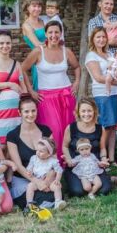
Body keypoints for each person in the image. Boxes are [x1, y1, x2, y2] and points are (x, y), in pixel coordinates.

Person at [22, 20, 80, 163]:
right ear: (46, 34)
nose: (54, 35)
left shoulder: (66, 51)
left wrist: (77, 82)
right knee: (54, 130)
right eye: (50, 32)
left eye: (56, 32)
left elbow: (77, 67)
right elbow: (22, 69)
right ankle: (53, 163)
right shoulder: (38, 51)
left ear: (61, 34)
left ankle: (69, 162)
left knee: (68, 130)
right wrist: (31, 90)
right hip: (46, 97)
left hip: (66, 95)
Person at [84, 27, 117, 163]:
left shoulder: (109, 53)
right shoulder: (91, 55)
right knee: (106, 126)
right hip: (103, 94)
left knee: (113, 125)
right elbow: (98, 77)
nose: (101, 39)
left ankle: (112, 158)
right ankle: (102, 156)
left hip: (116, 93)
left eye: (103, 37)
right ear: (92, 39)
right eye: (98, 37)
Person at [6, 97, 55, 208]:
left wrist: (47, 180)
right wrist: (36, 182)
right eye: (26, 111)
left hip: (44, 176)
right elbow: (18, 166)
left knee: (53, 194)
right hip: (23, 178)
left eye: (33, 111)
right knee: (35, 197)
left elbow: (53, 158)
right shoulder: (12, 136)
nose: (31, 114)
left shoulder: (46, 131)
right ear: (19, 113)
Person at [61, 98, 112, 197]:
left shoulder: (100, 128)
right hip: (76, 166)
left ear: (94, 111)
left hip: (94, 166)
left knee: (105, 189)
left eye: (89, 111)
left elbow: (102, 148)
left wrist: (103, 159)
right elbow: (65, 146)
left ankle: (101, 182)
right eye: (83, 111)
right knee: (78, 191)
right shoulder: (71, 128)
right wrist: (69, 159)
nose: (86, 114)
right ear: (78, 112)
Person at [25, 138, 67, 211]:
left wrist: (57, 180)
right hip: (38, 181)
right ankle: (29, 203)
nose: (38, 152)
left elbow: (59, 170)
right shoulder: (34, 159)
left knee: (56, 187)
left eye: (41, 151)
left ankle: (58, 202)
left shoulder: (53, 161)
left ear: (49, 154)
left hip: (50, 182)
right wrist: (30, 171)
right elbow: (29, 168)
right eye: (37, 150)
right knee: (30, 186)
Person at [22, 0, 47, 91]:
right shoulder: (26, 25)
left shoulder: (43, 21)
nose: (37, 8)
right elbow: (37, 44)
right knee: (41, 87)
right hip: (38, 58)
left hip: (50, 56)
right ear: (28, 8)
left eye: (39, 6)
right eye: (34, 6)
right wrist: (55, 45)